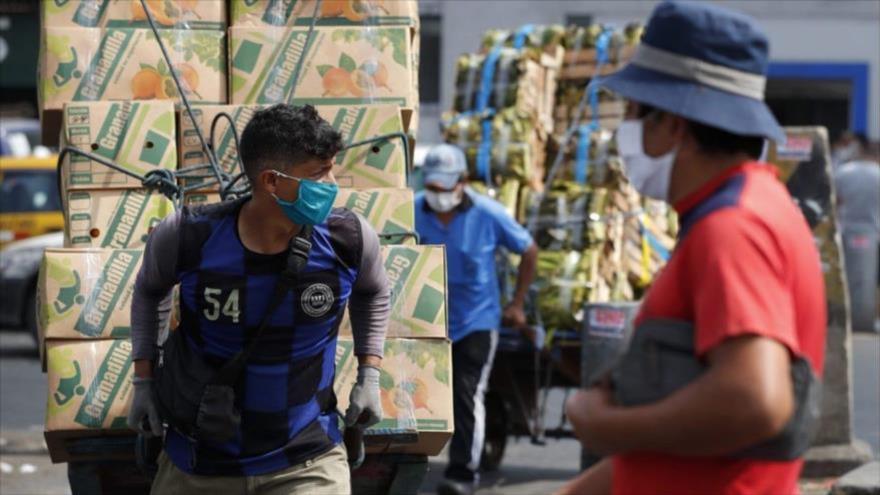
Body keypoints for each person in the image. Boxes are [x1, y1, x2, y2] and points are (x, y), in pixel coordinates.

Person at [558, 3, 827, 495]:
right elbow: (686, 446)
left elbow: (754, 401)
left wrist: (604, 425)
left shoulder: (733, 229)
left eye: (635, 113)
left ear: (674, 124)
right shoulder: (748, 208)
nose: (626, 131)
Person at [127, 104, 390, 494]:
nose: (332, 184)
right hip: (199, 460)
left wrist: (369, 374)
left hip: (307, 458)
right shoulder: (189, 236)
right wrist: (144, 382)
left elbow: (374, 291)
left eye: (332, 168)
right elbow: (149, 291)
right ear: (271, 181)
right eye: (319, 173)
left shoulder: (347, 239)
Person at [415, 144, 538, 495]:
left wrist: (516, 304)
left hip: (476, 320)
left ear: (462, 182)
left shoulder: (488, 213)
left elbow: (528, 249)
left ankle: (462, 473)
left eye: (444, 188)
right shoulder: (412, 210)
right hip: (426, 319)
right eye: (432, 187)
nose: (437, 195)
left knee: (466, 393)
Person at [834, 137, 880, 332]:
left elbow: (835, 202)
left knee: (844, 277)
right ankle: (872, 319)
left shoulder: (842, 172)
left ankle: (842, 318)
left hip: (846, 231)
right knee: (873, 280)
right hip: (874, 233)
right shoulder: (878, 174)